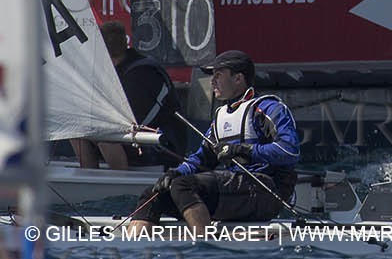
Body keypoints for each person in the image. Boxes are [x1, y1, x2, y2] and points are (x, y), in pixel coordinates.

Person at [123, 50, 300, 234]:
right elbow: (202, 159)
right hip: (237, 191)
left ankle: (204, 249)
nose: (212, 81)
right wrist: (175, 173)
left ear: (238, 79)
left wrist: (244, 150)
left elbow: (290, 151)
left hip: (267, 191)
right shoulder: (221, 117)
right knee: (152, 195)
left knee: (184, 186)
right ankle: (135, 252)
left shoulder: (268, 108)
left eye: (218, 75)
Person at [71, 21, 185, 169]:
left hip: (162, 146)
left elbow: (133, 120)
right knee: (76, 131)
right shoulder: (113, 72)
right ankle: (88, 177)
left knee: (106, 136)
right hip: (132, 142)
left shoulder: (143, 73)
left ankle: (119, 183)